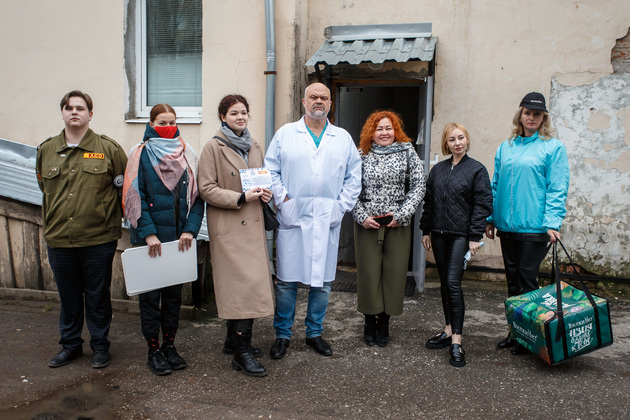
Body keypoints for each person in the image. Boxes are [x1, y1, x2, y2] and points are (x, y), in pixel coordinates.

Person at [264, 82, 362, 359]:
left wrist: (341, 207)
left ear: (330, 104)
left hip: (327, 217)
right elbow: (271, 170)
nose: (318, 101)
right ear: (304, 102)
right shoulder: (285, 134)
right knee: (286, 282)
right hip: (293, 215)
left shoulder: (342, 138)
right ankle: (283, 334)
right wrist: (283, 199)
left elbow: (354, 177)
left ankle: (314, 333)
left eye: (324, 98)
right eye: (313, 97)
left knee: (323, 282)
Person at [36, 90, 128, 369]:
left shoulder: (109, 149)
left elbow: (123, 189)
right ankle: (70, 345)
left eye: (80, 108)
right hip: (59, 237)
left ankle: (100, 345)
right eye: (69, 108)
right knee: (68, 296)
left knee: (97, 296)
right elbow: (43, 187)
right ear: (62, 113)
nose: (74, 112)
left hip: (98, 238)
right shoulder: (46, 150)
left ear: (90, 114)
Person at [485, 92, 570, 355]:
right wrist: (491, 218)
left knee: (527, 280)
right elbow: (496, 184)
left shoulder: (553, 147)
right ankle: (516, 333)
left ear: (543, 118)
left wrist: (552, 223)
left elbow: (557, 187)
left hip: (535, 228)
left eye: (537, 114)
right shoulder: (506, 147)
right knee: (513, 283)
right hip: (507, 227)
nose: (531, 117)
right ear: (520, 115)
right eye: (527, 112)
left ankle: (532, 337)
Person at [123, 103, 204, 375]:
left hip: (179, 241)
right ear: (151, 124)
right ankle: (153, 350)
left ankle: (169, 345)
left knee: (172, 298)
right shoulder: (139, 154)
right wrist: (148, 233)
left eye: (172, 122)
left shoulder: (187, 153)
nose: (168, 126)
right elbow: (135, 195)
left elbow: (198, 197)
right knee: (150, 299)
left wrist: (190, 230)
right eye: (162, 122)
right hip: (150, 242)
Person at [198, 94, 274, 377]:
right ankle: (242, 354)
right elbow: (206, 188)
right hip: (229, 227)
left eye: (243, 112)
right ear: (223, 117)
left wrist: (266, 193)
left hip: (252, 225)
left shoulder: (254, 145)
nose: (240, 117)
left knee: (247, 285)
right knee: (242, 288)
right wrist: (240, 197)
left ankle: (233, 341)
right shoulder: (213, 147)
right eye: (233, 113)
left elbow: (261, 178)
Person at [420, 123, 493, 367]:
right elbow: (429, 201)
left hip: (462, 236)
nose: (457, 143)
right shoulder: (438, 170)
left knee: (453, 283)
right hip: (439, 234)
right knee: (444, 283)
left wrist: (474, 236)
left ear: (467, 140)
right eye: (452, 139)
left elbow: (482, 205)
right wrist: (426, 229)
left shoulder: (476, 170)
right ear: (446, 144)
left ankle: (457, 342)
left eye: (461, 138)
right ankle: (448, 329)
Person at [351, 111, 425, 348]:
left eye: (388, 128)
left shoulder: (407, 152)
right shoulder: (360, 154)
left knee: (393, 274)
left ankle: (384, 322)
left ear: (396, 131)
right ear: (371, 132)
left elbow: (418, 185)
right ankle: (369, 321)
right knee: (369, 274)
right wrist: (362, 216)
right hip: (367, 225)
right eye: (379, 128)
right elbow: (349, 187)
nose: (384, 133)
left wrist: (402, 215)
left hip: (397, 225)